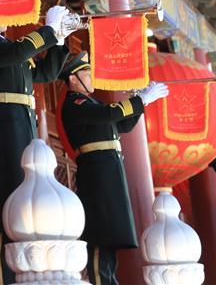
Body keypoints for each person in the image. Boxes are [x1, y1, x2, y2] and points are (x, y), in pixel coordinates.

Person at [0, 5, 72, 284]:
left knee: (26, 207)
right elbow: (17, 53)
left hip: (20, 128)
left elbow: (46, 73)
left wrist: (59, 38)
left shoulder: (6, 47)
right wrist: (48, 30)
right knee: (5, 207)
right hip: (1, 129)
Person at [59, 52, 170, 285]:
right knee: (101, 235)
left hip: (107, 172)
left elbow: (123, 124)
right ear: (72, 78)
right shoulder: (75, 103)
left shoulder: (91, 103)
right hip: (97, 173)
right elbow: (107, 114)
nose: (91, 78)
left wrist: (142, 100)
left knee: (110, 236)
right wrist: (140, 100)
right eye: (86, 73)